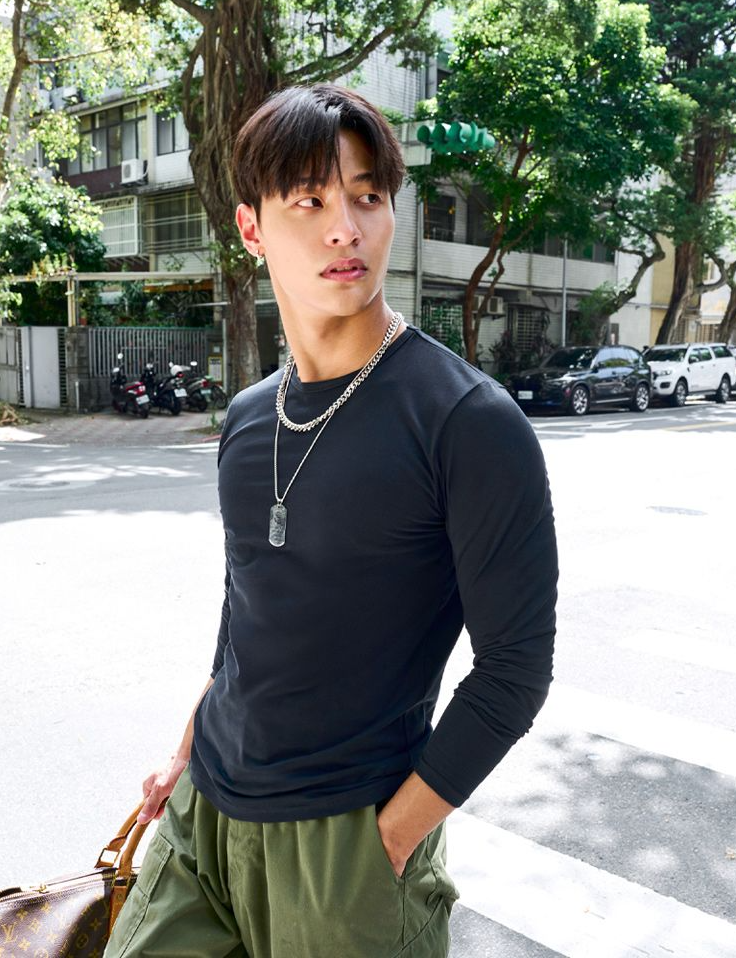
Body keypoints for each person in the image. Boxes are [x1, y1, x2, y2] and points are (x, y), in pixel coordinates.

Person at [104, 84, 558, 958]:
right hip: (203, 816)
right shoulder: (248, 417)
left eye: (367, 196)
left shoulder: (465, 420)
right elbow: (247, 617)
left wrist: (388, 842)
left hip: (346, 843)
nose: (344, 228)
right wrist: (184, 750)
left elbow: (515, 671)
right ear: (252, 229)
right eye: (310, 201)